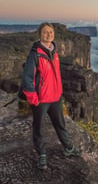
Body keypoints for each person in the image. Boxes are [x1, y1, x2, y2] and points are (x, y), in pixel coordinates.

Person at [22, 22, 80, 170]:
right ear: (40, 35)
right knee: (38, 128)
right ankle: (41, 155)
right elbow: (27, 78)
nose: (49, 34)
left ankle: (69, 148)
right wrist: (33, 98)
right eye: (45, 32)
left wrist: (59, 92)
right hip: (41, 100)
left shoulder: (54, 52)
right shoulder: (35, 54)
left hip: (55, 98)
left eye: (51, 32)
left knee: (60, 124)